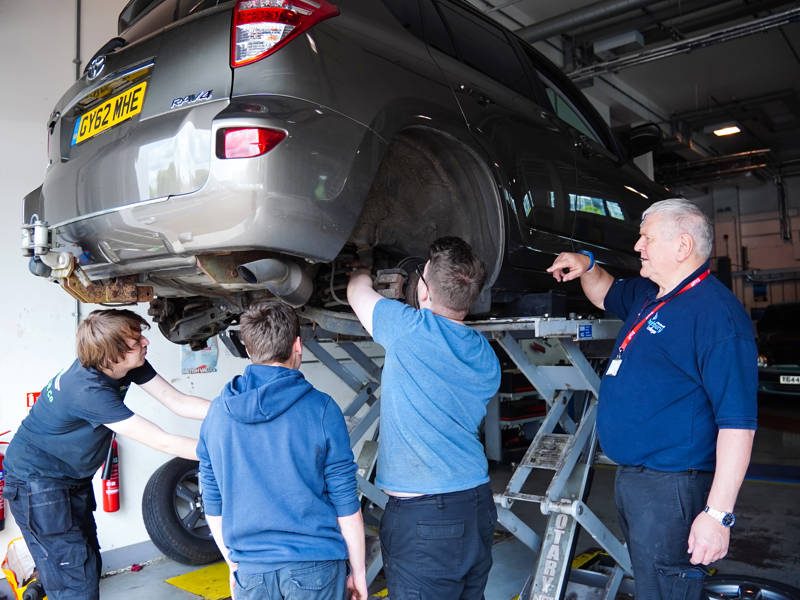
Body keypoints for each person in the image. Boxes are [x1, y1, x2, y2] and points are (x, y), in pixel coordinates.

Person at [547, 198, 757, 599]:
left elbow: (738, 426)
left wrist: (717, 516)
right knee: (652, 584)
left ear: (682, 246)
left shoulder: (717, 317)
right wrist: (588, 264)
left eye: (646, 238)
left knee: (666, 588)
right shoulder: (650, 293)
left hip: (673, 485)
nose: (637, 247)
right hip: (637, 480)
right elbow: (604, 293)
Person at [2, 308, 210, 600]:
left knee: (82, 563)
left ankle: (46, 588)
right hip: (37, 483)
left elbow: (177, 401)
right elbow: (161, 441)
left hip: (68, 477)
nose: (145, 343)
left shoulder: (122, 364)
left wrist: (231, 414)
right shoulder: (88, 390)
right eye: (136, 341)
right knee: (77, 580)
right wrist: (226, 450)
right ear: (111, 353)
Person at [347, 236, 501, 600]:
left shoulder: (409, 329)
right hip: (475, 506)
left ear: (425, 290)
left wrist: (361, 264)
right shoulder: (486, 356)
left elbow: (356, 291)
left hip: (426, 519)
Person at [197, 300, 367, 600]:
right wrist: (359, 573)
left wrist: (234, 565)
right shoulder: (322, 409)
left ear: (248, 350)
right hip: (316, 566)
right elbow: (345, 502)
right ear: (297, 345)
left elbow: (213, 501)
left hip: (252, 571)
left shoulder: (217, 414)